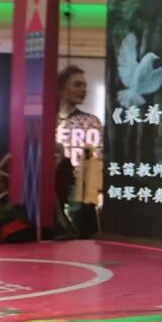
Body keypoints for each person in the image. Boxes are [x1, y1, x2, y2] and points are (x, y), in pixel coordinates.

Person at [56, 65, 103, 238]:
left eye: (84, 85)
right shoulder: (47, 121)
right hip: (54, 188)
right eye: (77, 85)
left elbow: (99, 155)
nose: (83, 90)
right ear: (61, 89)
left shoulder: (91, 121)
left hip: (82, 190)